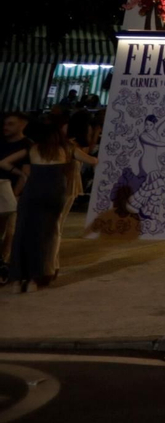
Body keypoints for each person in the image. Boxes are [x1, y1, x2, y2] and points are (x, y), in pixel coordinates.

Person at [1, 114, 99, 291]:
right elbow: (92, 161)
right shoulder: (67, 148)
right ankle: (35, 279)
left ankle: (17, 280)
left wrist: (21, 174)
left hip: (31, 192)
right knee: (46, 234)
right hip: (54, 193)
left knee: (23, 233)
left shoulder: (32, 148)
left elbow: (4, 162)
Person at [0, 111, 27, 285]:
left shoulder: (27, 145)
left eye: (11, 124)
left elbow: (26, 173)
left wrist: (17, 194)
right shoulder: (2, 142)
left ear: (22, 125)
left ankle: (3, 263)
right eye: (5, 123)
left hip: (12, 192)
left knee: (9, 231)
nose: (6, 127)